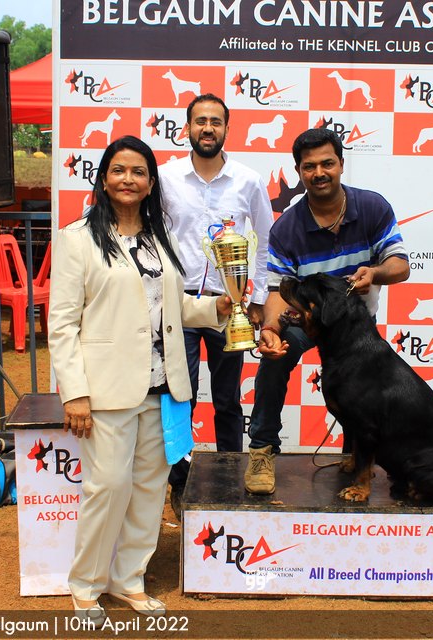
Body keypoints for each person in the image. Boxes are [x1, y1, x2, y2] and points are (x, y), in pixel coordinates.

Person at [48, 136, 231, 619]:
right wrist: (75, 394)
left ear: (151, 184)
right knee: (108, 487)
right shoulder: (77, 239)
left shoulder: (157, 237)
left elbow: (172, 305)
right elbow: (62, 325)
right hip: (106, 390)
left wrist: (214, 309)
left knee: (150, 489)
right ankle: (86, 585)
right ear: (104, 179)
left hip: (164, 387)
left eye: (138, 172)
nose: (128, 179)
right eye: (119, 170)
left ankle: (129, 579)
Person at [244, 128, 411, 495]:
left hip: (355, 324)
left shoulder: (372, 207)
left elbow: (400, 265)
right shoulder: (286, 227)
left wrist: (376, 272)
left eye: (327, 163)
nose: (319, 173)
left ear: (341, 165)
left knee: (358, 390)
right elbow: (278, 291)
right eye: (309, 166)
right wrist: (270, 329)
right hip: (307, 321)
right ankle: (262, 450)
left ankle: (354, 454)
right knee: (274, 360)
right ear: (298, 171)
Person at [159, 93, 273, 513]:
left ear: (226, 128)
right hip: (180, 306)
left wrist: (256, 297)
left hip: (230, 306)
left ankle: (228, 478)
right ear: (187, 128)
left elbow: (267, 240)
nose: (208, 128)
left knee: (227, 399)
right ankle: (179, 483)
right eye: (200, 121)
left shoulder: (248, 180)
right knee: (180, 396)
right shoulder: (166, 178)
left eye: (216, 122)